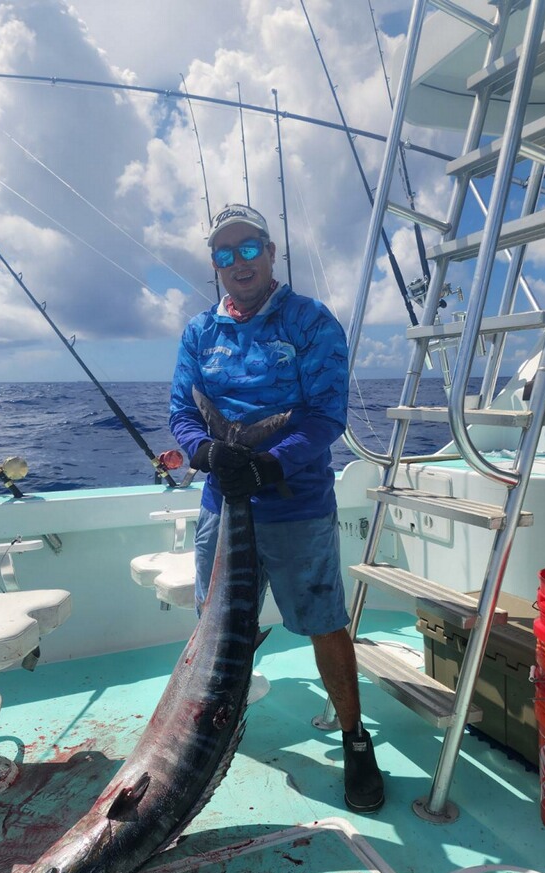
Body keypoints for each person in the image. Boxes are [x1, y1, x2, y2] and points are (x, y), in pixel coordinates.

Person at [169, 202, 384, 813]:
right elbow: (183, 412)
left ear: (270, 251)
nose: (238, 262)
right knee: (216, 627)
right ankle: (206, 734)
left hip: (296, 505)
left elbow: (325, 415)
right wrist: (206, 450)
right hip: (222, 504)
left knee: (324, 623)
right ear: (214, 263)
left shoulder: (310, 322)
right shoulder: (199, 332)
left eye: (248, 248)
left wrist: (270, 462)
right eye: (224, 253)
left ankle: (354, 737)